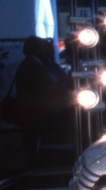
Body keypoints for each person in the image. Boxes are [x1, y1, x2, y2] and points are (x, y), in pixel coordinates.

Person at [12, 36, 72, 167]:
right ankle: (34, 167)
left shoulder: (29, 64)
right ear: (36, 49)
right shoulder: (32, 65)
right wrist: (63, 89)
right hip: (34, 111)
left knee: (32, 139)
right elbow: (45, 86)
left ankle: (33, 164)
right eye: (44, 47)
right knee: (33, 140)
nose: (48, 50)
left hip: (31, 110)